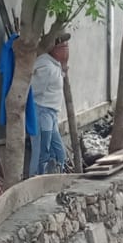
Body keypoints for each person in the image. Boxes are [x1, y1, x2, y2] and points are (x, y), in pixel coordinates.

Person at [29, 34, 69, 175]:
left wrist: (64, 67)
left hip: (51, 113)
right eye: (63, 47)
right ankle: (34, 179)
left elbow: (57, 80)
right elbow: (34, 90)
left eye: (67, 46)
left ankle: (54, 177)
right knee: (41, 151)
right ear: (54, 49)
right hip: (42, 112)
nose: (67, 50)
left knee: (59, 153)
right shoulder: (45, 66)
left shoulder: (55, 64)